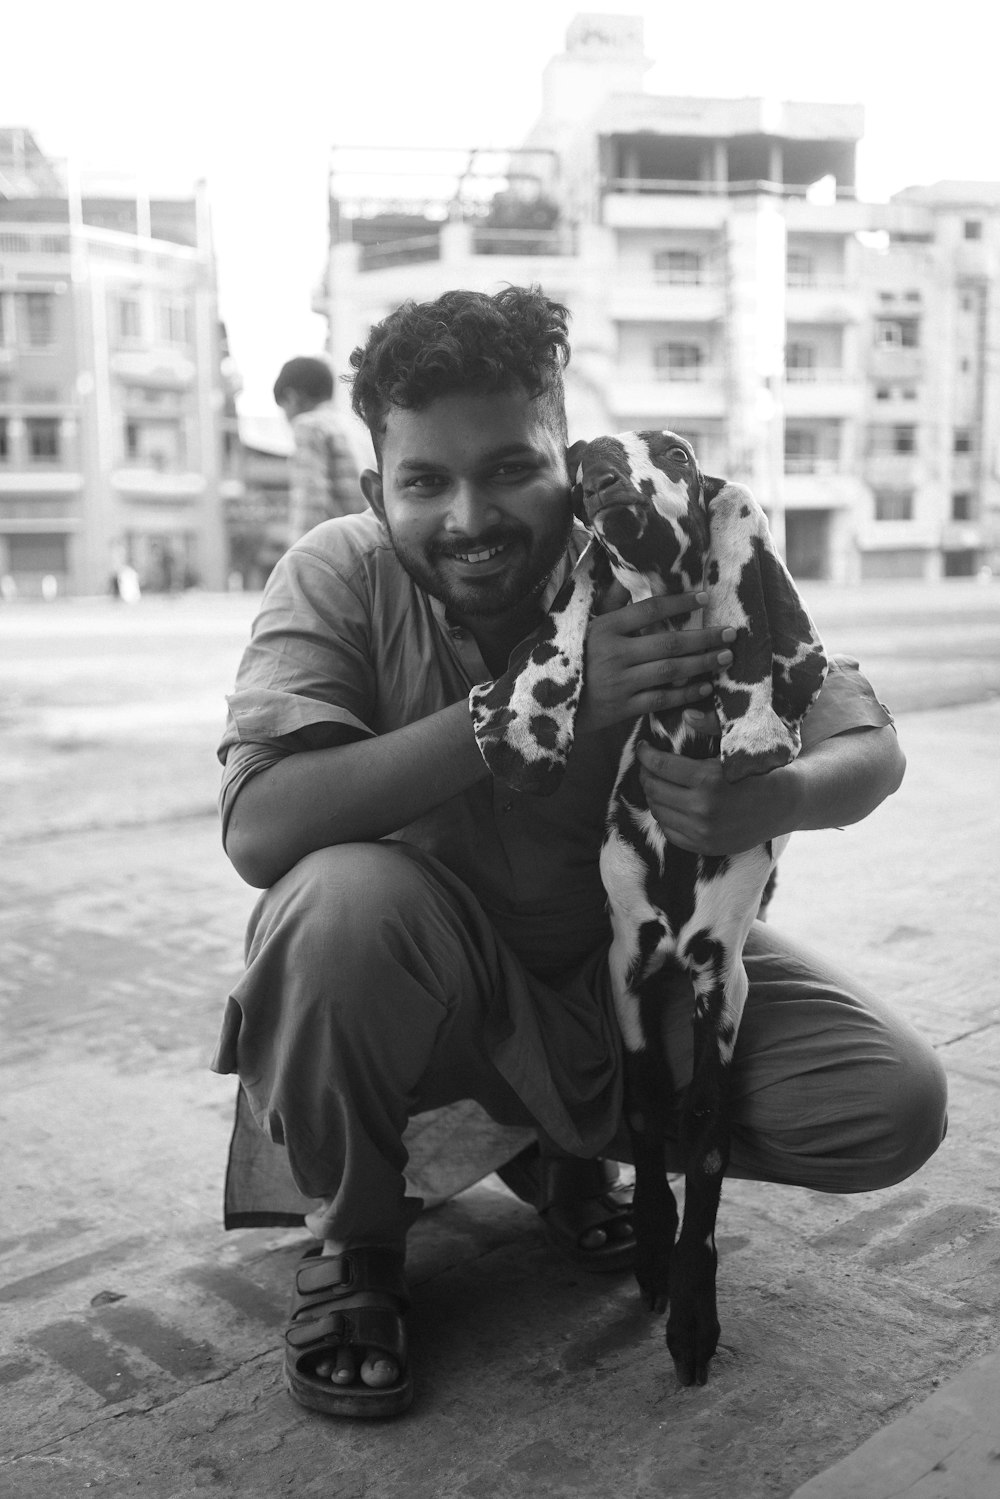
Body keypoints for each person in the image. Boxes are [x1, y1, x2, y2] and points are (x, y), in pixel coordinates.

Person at [213, 286, 947, 1419]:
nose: (470, 514)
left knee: (886, 1100)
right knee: (336, 903)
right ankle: (358, 1239)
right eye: (425, 481)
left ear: (570, 457)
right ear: (376, 489)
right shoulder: (338, 571)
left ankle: (558, 1148)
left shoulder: (657, 553)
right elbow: (262, 826)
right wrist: (525, 708)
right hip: (426, 995)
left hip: (621, 987)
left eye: (511, 466)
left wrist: (773, 798)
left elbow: (867, 742)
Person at [273, 354, 368, 542]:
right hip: (366, 541)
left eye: (283, 408)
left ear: (292, 397)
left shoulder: (309, 426)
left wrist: (297, 558)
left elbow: (310, 504)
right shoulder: (349, 426)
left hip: (338, 549)